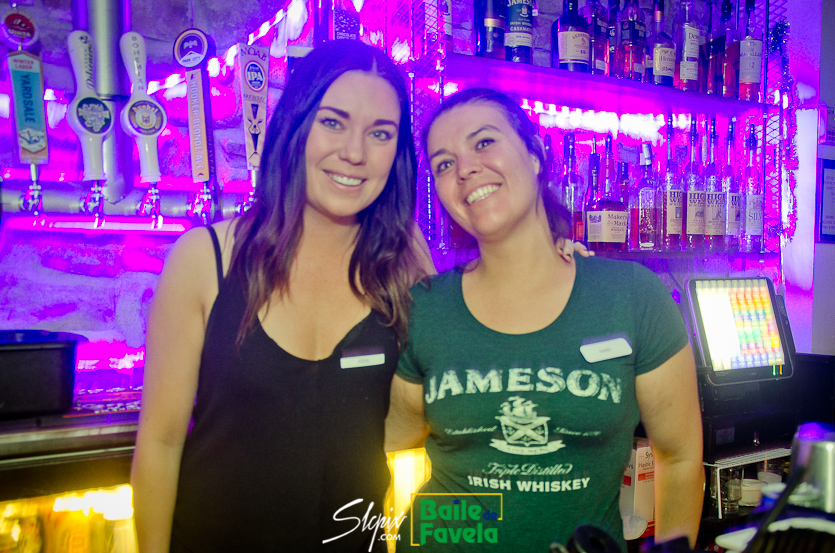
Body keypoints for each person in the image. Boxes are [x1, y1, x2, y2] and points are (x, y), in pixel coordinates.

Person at [130, 40, 434, 553]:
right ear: (295, 126)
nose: (355, 153)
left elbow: (445, 401)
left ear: (397, 153)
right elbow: (160, 443)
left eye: (380, 133)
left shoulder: (402, 270)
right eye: (332, 122)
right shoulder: (206, 259)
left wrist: (555, 258)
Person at [384, 88, 705, 552]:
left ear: (534, 154)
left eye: (484, 142)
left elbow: (679, 458)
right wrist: (467, 531)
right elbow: (390, 448)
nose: (465, 168)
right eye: (444, 164)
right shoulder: (426, 308)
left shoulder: (631, 296)